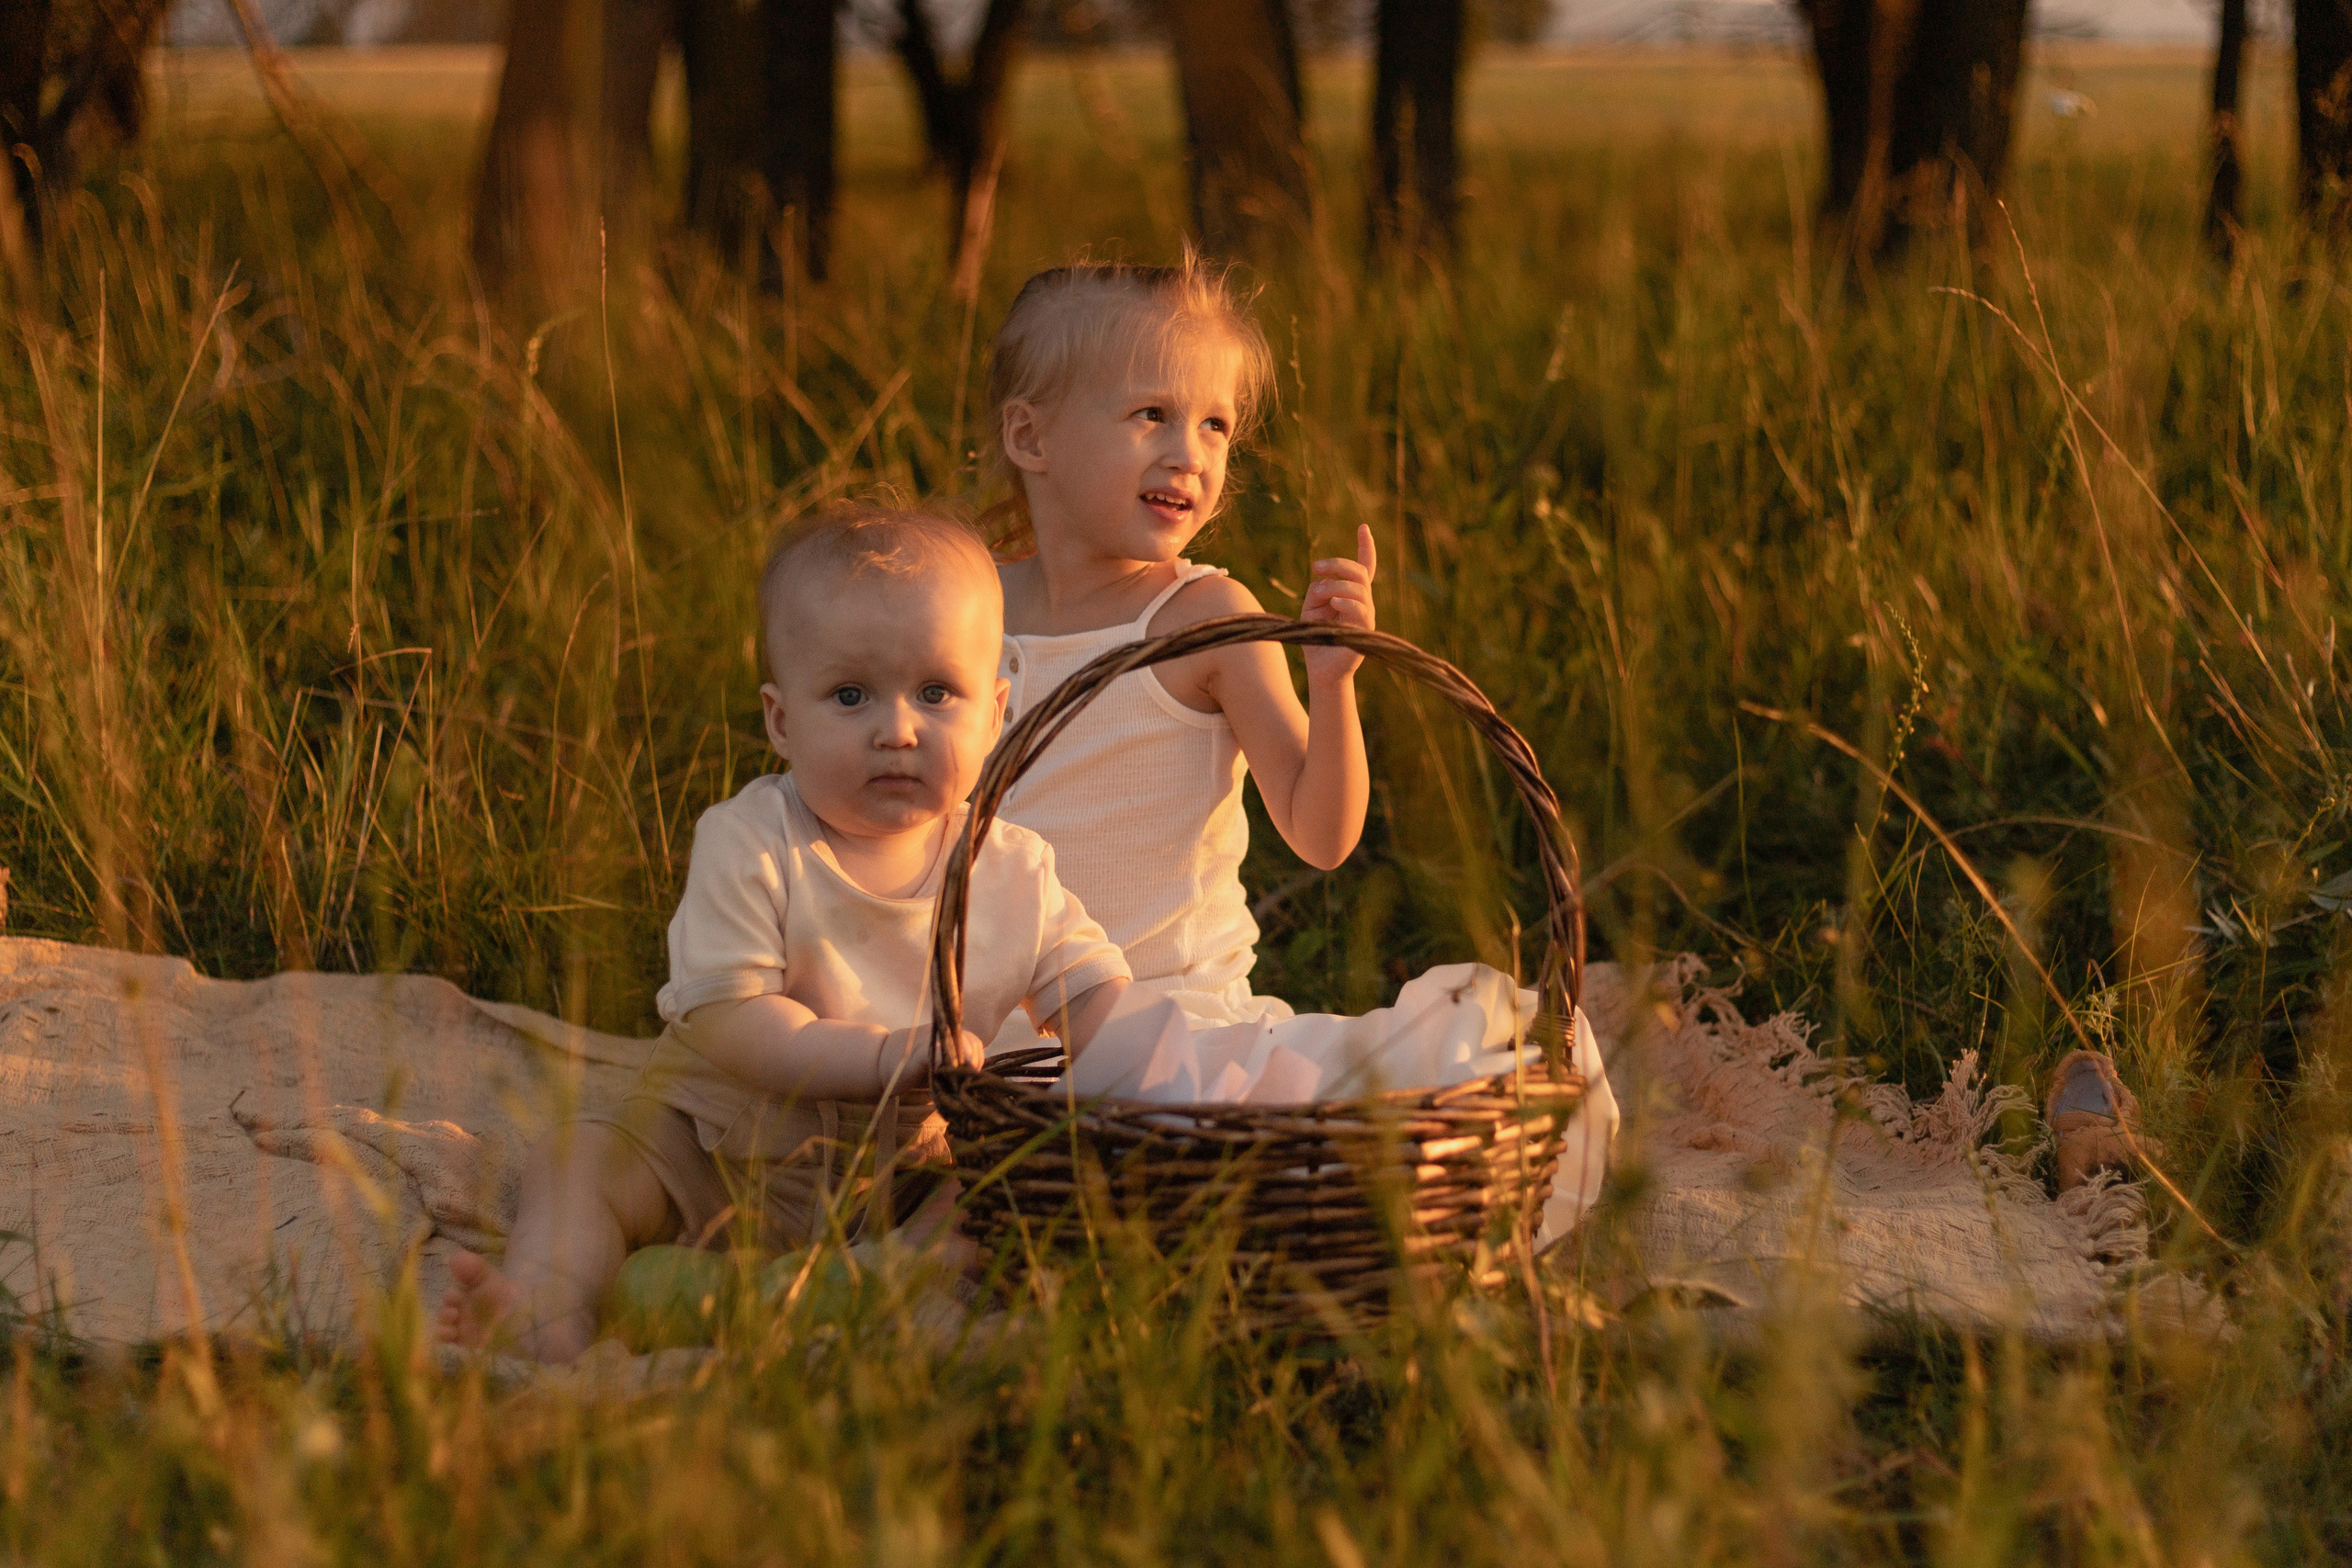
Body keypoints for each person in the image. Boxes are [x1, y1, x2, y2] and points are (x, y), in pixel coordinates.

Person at [978, 259, 1620, 1236]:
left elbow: (1321, 837)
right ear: (1031, 437)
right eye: (1149, 414)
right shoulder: (968, 609)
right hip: (1003, 1026)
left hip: (1168, 1021)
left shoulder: (1198, 618)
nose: (1188, 453)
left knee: (1315, 1130)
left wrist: (1332, 686)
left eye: (1215, 425)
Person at [437, 507, 1133, 1361]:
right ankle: (548, 1303)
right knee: (581, 1159)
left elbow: (1093, 989)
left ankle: (875, 1274)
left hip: (899, 1174)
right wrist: (883, 1057)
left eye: (935, 693)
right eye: (850, 695)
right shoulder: (750, 842)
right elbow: (729, 1015)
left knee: (999, 1191)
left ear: (995, 712)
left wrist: (1125, 1065)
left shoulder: (1012, 868)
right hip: (717, 1146)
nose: (897, 728)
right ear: (780, 720)